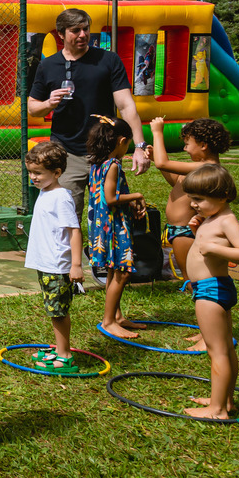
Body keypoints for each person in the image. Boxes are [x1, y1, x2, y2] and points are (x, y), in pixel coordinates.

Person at [27, 8, 151, 217]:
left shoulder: (108, 60)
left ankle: (103, 251)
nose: (83, 35)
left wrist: (139, 146)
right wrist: (49, 103)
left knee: (112, 213)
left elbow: (126, 106)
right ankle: (68, 251)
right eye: (75, 30)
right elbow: (32, 106)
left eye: (86, 29)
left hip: (105, 151)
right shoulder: (48, 65)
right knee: (66, 214)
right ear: (61, 33)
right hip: (67, 151)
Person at [181, 165, 239, 419]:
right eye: (192, 198)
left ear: (223, 196)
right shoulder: (213, 219)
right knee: (225, 348)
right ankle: (225, 399)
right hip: (213, 288)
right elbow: (206, 247)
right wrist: (198, 233)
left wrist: (215, 249)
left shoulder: (227, 220)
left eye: (199, 199)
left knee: (218, 351)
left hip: (211, 291)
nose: (193, 204)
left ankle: (216, 410)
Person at [23, 142, 82, 371]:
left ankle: (65, 356)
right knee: (53, 309)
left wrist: (75, 265)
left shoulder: (60, 197)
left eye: (38, 173)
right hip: (47, 264)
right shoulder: (45, 192)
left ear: (56, 173)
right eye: (30, 172)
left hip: (58, 266)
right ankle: (59, 349)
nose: (33, 177)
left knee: (58, 312)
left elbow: (74, 230)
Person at [86, 115, 147, 339]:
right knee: (121, 272)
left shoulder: (96, 163)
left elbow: (103, 196)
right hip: (113, 227)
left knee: (114, 270)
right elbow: (110, 198)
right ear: (122, 141)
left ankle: (117, 316)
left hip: (102, 224)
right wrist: (137, 195)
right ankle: (109, 321)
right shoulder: (112, 165)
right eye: (129, 144)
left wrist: (129, 201)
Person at [149, 116, 230, 278]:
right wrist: (154, 157)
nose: (185, 149)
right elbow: (176, 181)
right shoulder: (197, 168)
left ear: (203, 145)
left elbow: (162, 163)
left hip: (186, 232)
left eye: (187, 144)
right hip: (178, 230)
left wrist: (157, 133)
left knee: (191, 275)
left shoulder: (207, 167)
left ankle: (196, 295)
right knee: (189, 273)